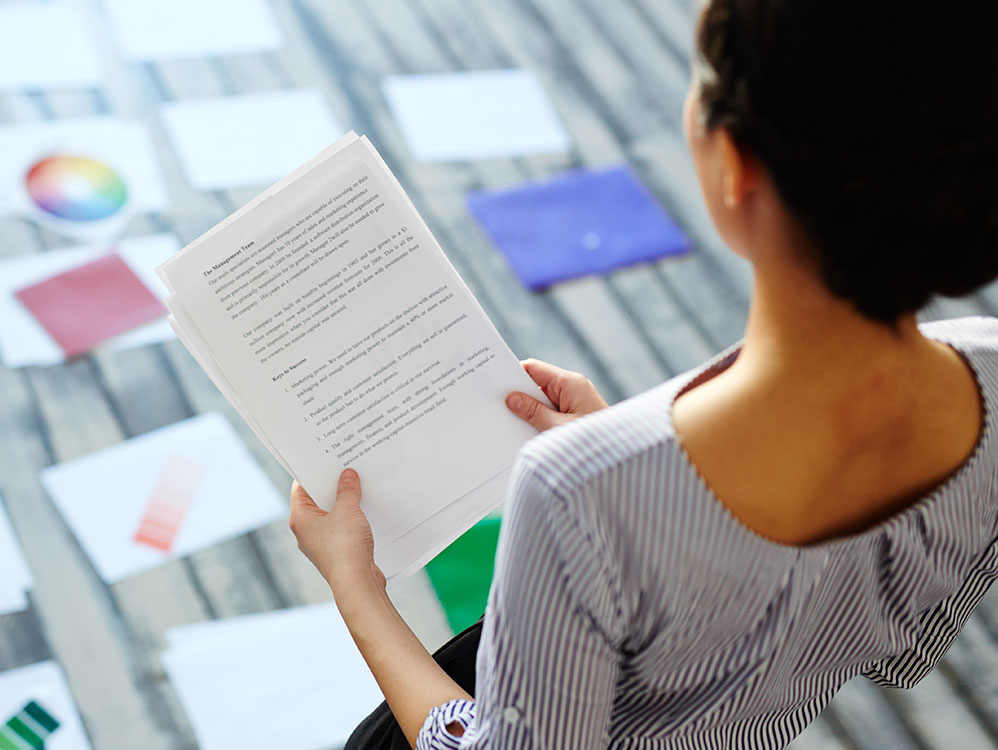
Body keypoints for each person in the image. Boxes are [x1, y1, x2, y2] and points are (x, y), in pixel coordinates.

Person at [288, 0, 998, 748]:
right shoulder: (990, 373)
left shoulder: (577, 492)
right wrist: (626, 462)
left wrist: (356, 589)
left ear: (736, 164)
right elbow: (904, 649)